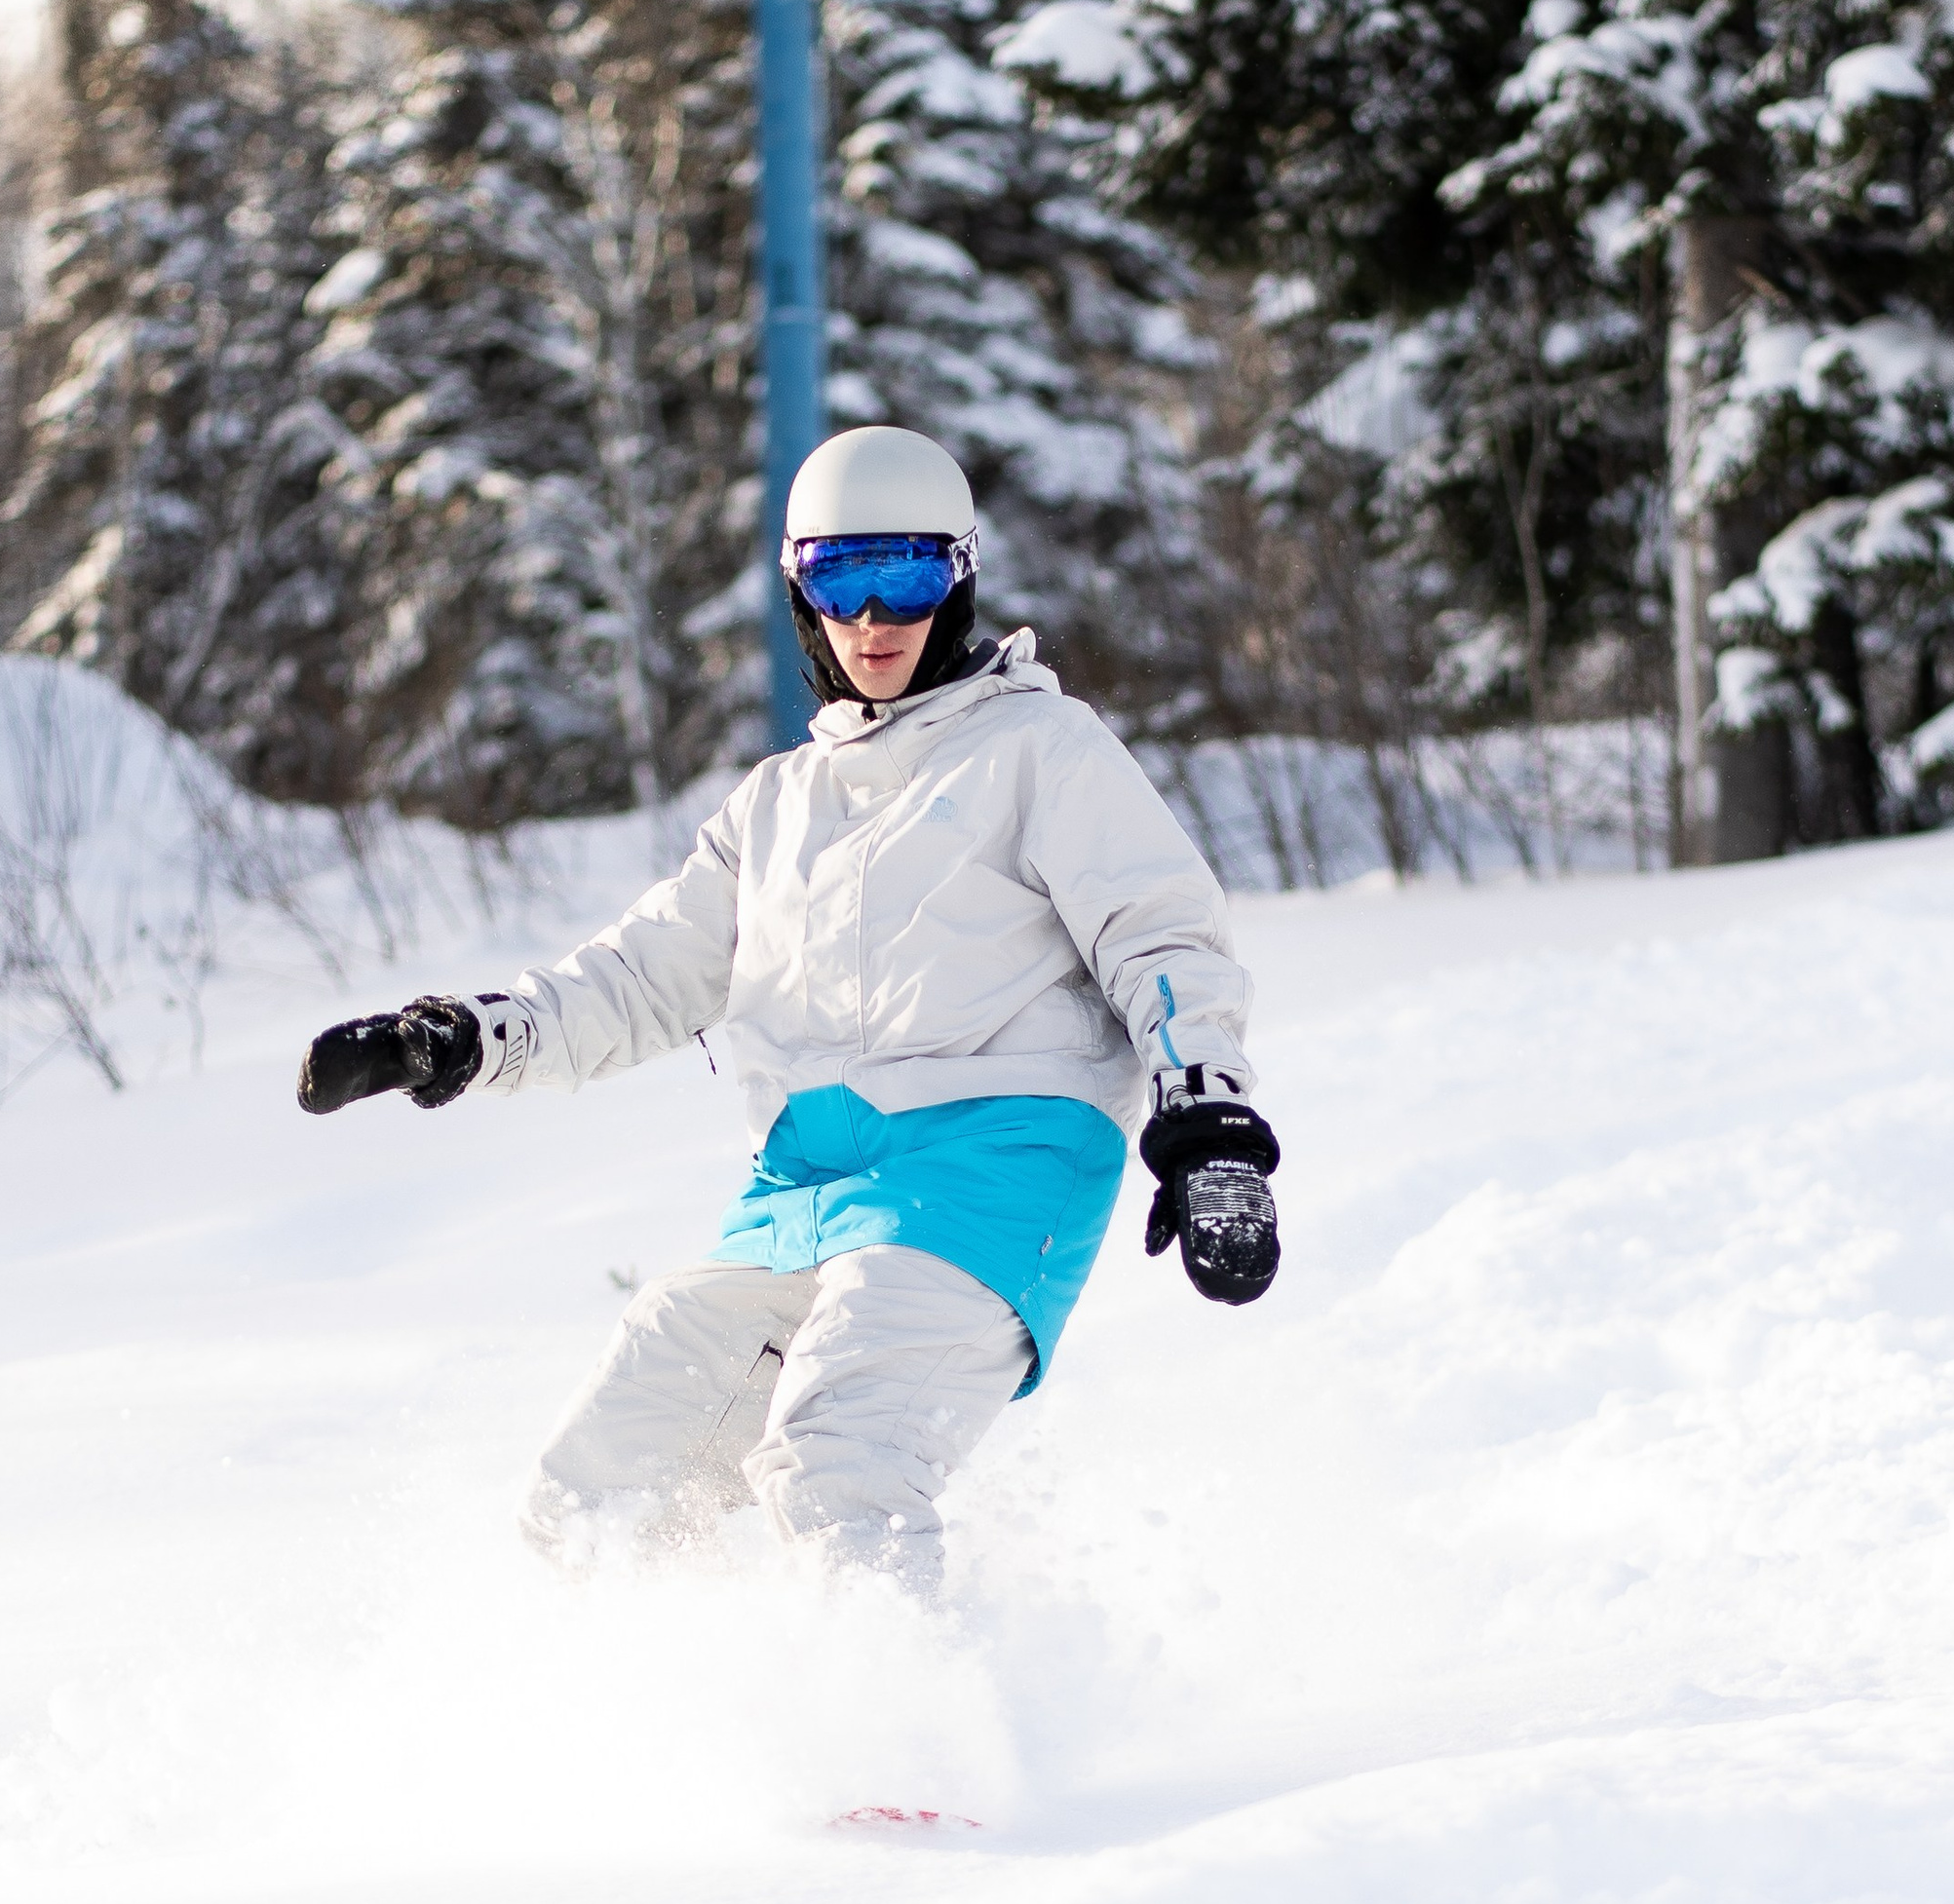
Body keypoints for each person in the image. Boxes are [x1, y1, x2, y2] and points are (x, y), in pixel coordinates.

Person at [296, 426, 1279, 1597]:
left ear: (959, 579)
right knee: (601, 1489)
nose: (874, 617)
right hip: (802, 1194)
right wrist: (461, 1040)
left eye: (907, 576)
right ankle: (670, 1700)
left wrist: (1210, 1127)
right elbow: (641, 977)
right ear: (799, 592)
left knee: (839, 1462)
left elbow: (1162, 939)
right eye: (839, 578)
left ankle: (904, 1712)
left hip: (993, 1167)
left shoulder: (1038, 751)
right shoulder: (776, 806)